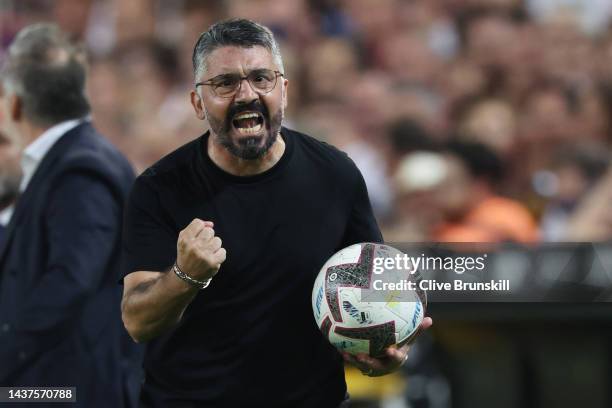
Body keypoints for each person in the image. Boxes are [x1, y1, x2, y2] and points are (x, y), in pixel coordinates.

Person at [120, 18, 432, 408]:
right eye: (225, 83)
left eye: (261, 78)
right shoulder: (158, 188)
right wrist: (186, 276)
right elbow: (137, 322)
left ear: (283, 90)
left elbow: (370, 290)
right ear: (198, 103)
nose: (246, 94)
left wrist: (378, 350)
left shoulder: (336, 174)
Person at [0, 24, 140, 407]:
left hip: (71, 390)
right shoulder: (68, 161)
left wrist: (7, 352)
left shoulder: (80, 169)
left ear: (16, 102)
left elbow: (71, 280)